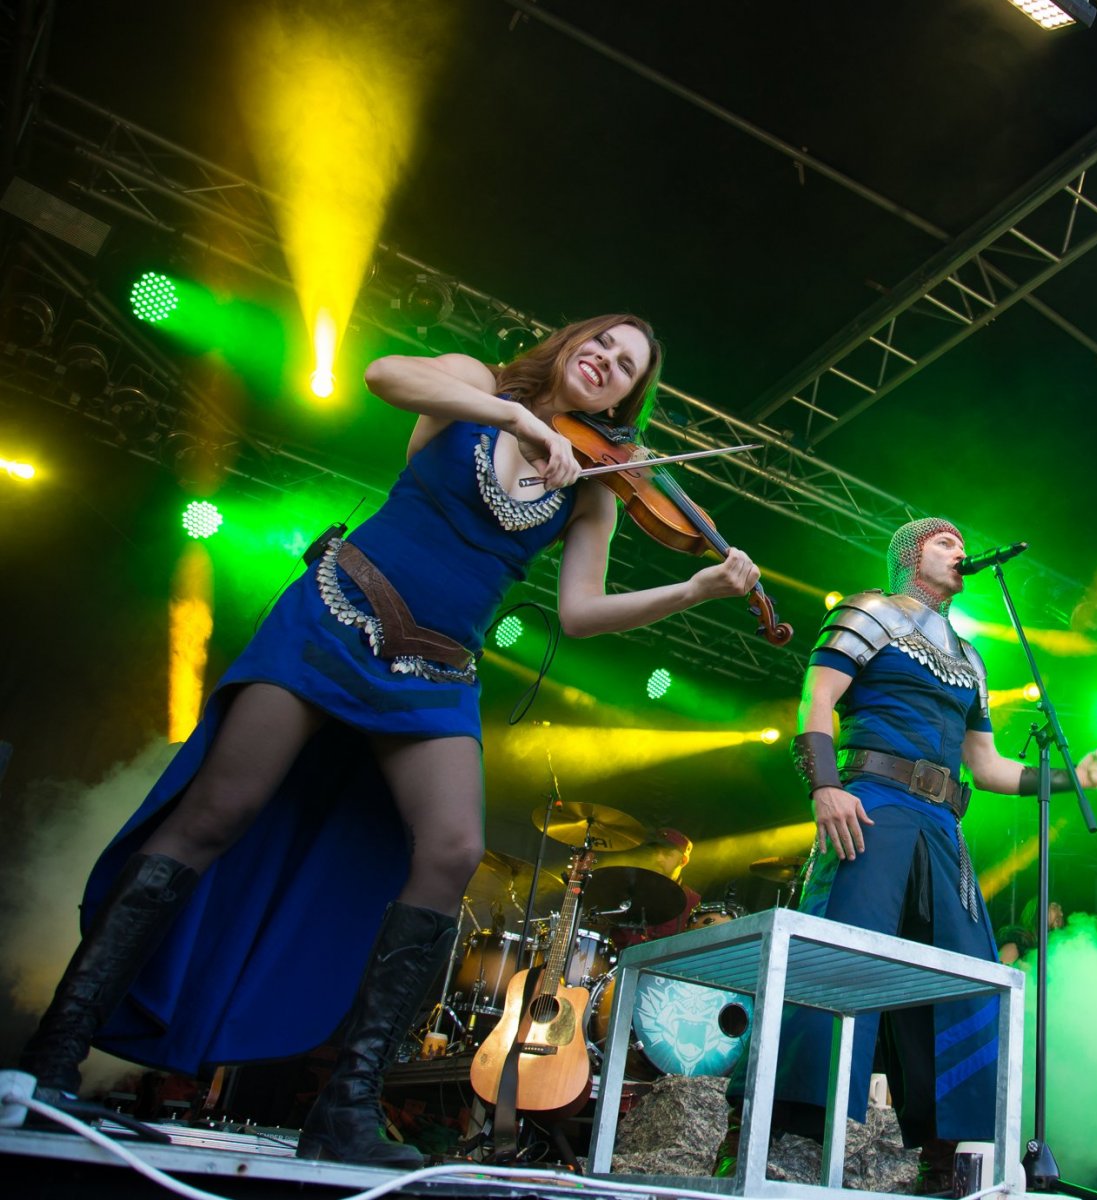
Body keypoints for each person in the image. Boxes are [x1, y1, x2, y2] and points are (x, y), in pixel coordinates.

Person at [18, 315, 761, 1167]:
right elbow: (382, 375)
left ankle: (346, 1104)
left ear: (629, 397)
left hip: (435, 671)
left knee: (452, 850)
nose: (605, 361)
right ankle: (54, 1051)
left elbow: (581, 614)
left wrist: (695, 589)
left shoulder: (594, 486)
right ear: (568, 343)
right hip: (337, 614)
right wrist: (515, 417)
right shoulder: (475, 383)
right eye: (599, 343)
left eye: (625, 366)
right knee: (218, 811)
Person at [744, 516, 1097, 1190]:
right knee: (838, 956)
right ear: (910, 554)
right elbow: (816, 699)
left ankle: (946, 1157)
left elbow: (989, 767)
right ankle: (784, 1136)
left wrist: (1070, 779)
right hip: (872, 802)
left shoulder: (970, 659)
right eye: (945, 542)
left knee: (968, 977)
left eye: (962, 544)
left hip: (943, 825)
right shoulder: (869, 612)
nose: (960, 551)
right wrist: (825, 786)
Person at [995, 897, 1066, 965]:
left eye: (1061, 910)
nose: (1061, 914)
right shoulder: (1018, 940)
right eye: (1054, 907)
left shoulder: (1050, 949)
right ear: (1038, 911)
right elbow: (999, 969)